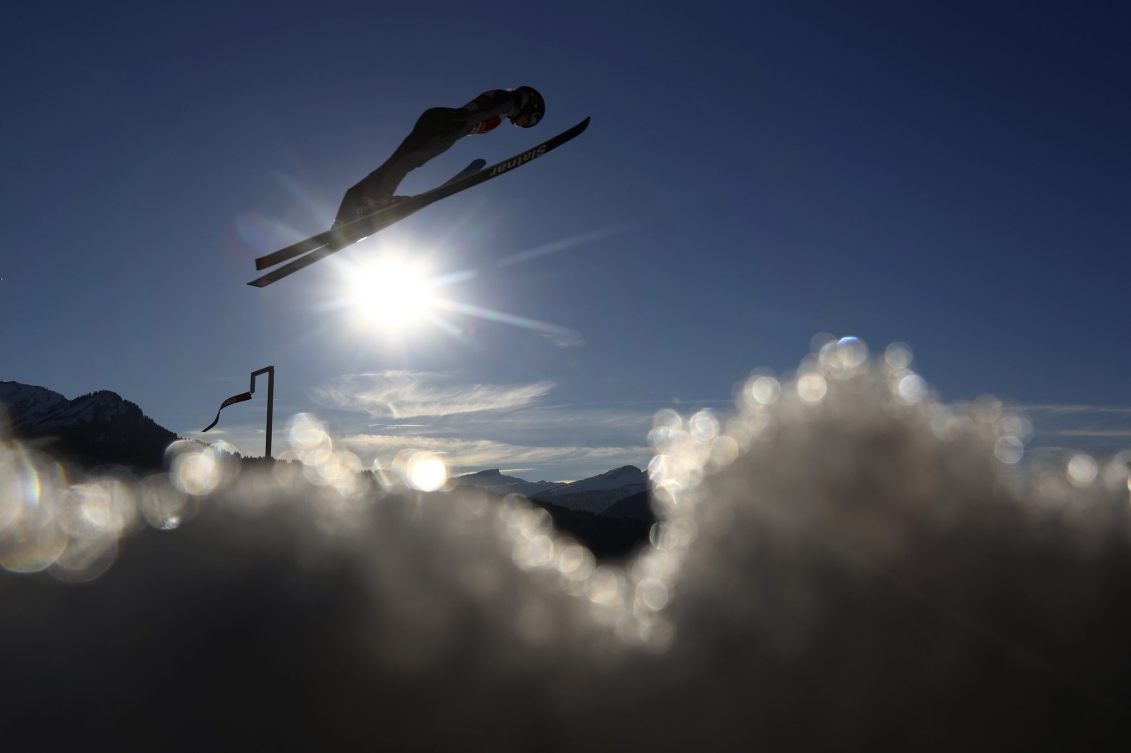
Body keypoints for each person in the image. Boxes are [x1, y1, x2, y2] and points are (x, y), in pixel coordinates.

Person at [333, 86, 545, 227]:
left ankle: (346, 216)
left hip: (442, 121)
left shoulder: (503, 105)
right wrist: (459, 123)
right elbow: (484, 111)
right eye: (532, 118)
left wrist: (459, 123)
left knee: (396, 163)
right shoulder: (506, 101)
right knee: (406, 162)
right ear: (529, 102)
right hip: (447, 125)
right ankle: (375, 204)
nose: (527, 124)